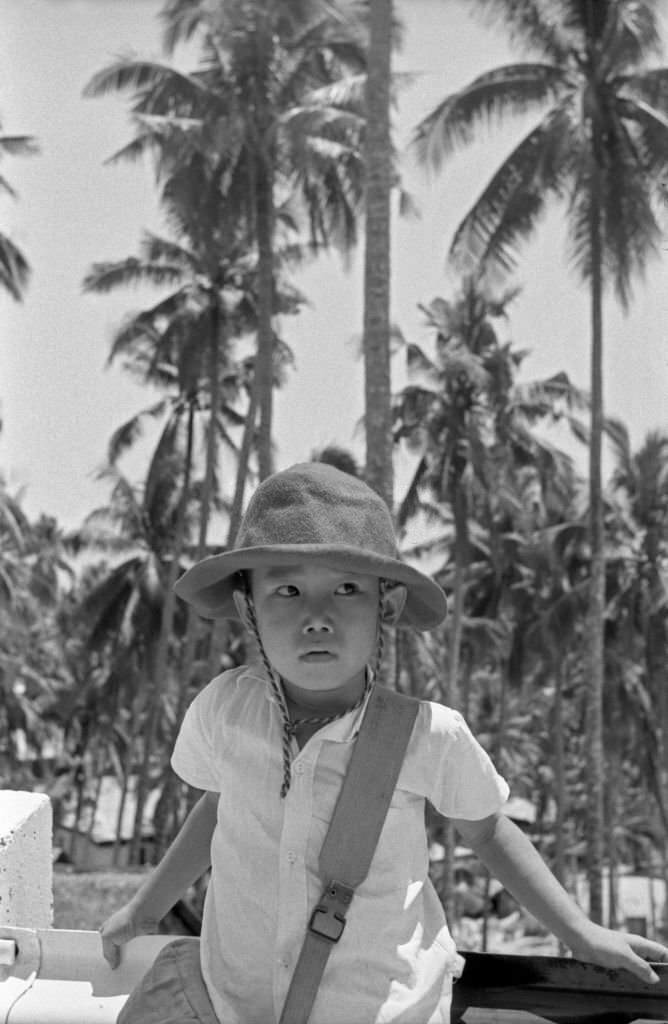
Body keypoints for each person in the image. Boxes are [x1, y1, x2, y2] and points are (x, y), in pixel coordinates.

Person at [100, 462, 668, 1024]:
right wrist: (143, 909)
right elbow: (218, 810)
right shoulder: (224, 710)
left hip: (381, 1009)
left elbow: (490, 832)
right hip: (236, 1004)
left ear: (386, 605)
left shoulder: (427, 735)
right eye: (287, 590)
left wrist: (579, 932)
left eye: (346, 589)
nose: (316, 617)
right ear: (249, 606)